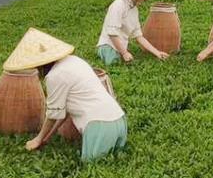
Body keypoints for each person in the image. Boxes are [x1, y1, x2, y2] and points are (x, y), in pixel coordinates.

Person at [12, 29, 129, 162]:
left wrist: (38, 139)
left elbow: (53, 114)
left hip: (100, 127)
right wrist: (47, 137)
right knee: (117, 161)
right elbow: (62, 111)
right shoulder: (74, 60)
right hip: (119, 122)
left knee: (93, 167)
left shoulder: (54, 76)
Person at [96, 0, 171, 65]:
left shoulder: (134, 10)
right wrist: (124, 53)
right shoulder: (119, 4)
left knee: (125, 61)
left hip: (121, 47)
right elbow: (112, 33)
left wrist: (157, 53)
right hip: (108, 46)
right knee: (115, 63)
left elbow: (138, 36)